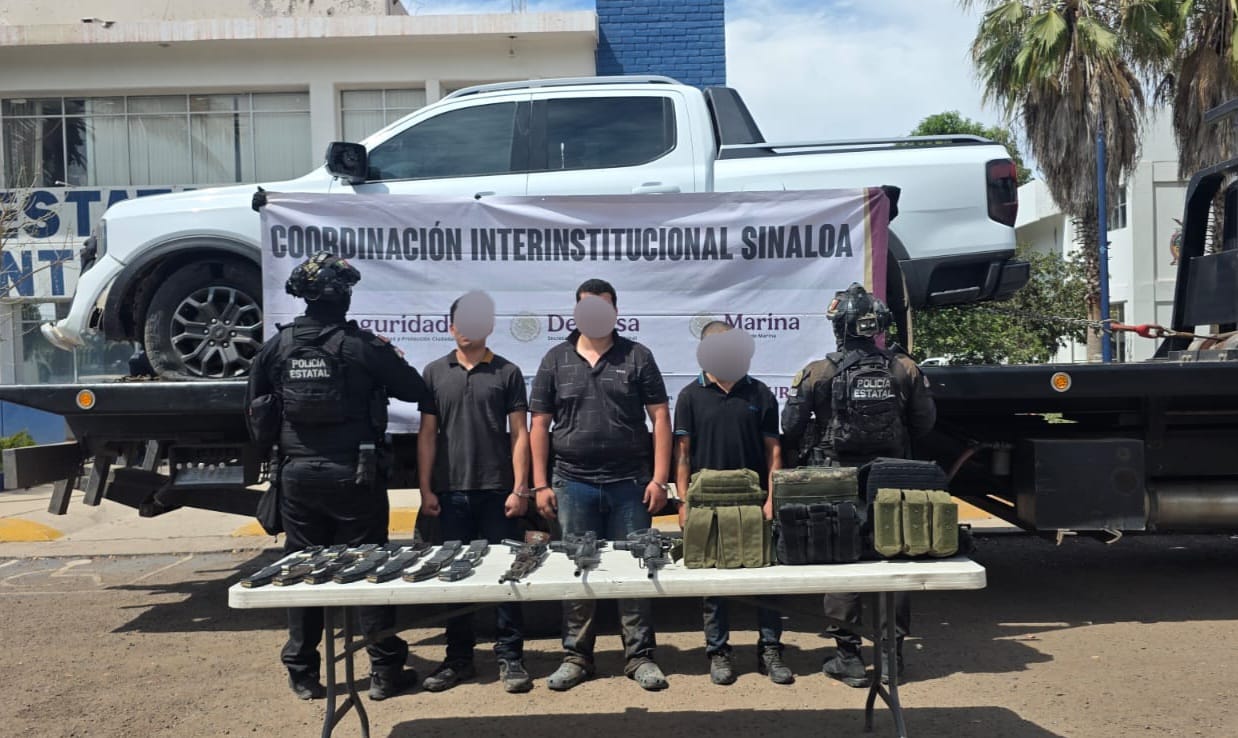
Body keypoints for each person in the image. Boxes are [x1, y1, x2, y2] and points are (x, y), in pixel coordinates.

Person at [246, 252, 428, 702]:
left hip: (297, 475)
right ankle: (384, 670)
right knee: (369, 567)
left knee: (303, 570)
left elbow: (255, 409)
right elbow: (415, 389)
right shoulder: (360, 346)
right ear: (342, 296)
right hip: (355, 475)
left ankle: (303, 672)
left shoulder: (279, 346)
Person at [780, 282, 936, 688]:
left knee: (842, 560)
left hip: (837, 480)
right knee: (894, 560)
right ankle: (891, 657)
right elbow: (925, 423)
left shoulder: (818, 372)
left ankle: (847, 657)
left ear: (839, 326)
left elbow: (790, 426)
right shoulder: (905, 369)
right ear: (877, 326)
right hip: (891, 477)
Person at [529, 278, 673, 692]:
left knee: (638, 570)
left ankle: (640, 657)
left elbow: (660, 417)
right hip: (573, 482)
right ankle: (576, 656)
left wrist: (659, 479)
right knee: (578, 571)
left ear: (615, 312)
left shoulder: (638, 356)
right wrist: (540, 484)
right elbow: (539, 424)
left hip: (630, 483)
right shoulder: (555, 359)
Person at [416, 292, 534, 694]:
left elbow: (520, 434)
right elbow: (427, 434)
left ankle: (511, 657)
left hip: (498, 492)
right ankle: (458, 659)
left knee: (508, 576)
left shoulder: (508, 372)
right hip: (450, 494)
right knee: (456, 580)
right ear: (451, 327)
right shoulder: (434, 372)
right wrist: (425, 488)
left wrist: (520, 488)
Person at [674, 321, 793, 686]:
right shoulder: (690, 396)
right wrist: (683, 502)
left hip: (753, 504)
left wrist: (772, 499)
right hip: (707, 506)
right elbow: (683, 454)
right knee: (713, 583)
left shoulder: (759, 393)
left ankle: (770, 650)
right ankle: (718, 652)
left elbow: (774, 452)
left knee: (765, 580)